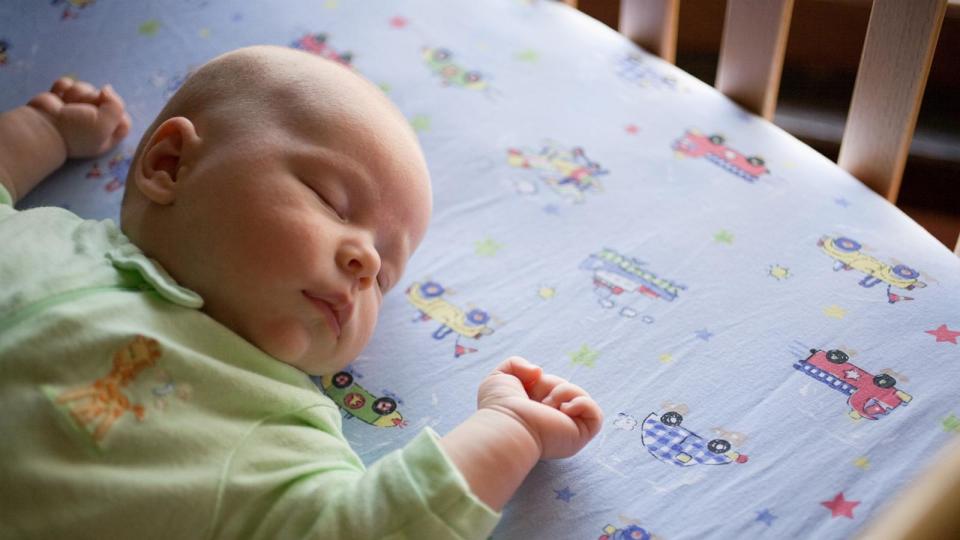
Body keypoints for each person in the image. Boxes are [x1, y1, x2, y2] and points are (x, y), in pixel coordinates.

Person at [0, 45, 603, 538]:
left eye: (385, 278)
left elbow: (373, 529)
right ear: (171, 165)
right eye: (330, 200)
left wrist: (510, 428)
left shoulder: (275, 421)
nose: (366, 263)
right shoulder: (50, 241)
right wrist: (45, 129)